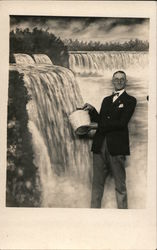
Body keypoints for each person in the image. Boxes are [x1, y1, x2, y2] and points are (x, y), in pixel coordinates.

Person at [83, 70, 137, 209]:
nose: (119, 81)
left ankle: (123, 219)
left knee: (120, 187)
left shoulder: (130, 100)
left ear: (125, 81)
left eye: (122, 79)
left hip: (116, 148)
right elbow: (100, 120)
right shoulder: (106, 100)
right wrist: (92, 110)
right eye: (116, 79)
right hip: (99, 146)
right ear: (112, 81)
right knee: (96, 186)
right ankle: (93, 219)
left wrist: (99, 125)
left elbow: (121, 123)